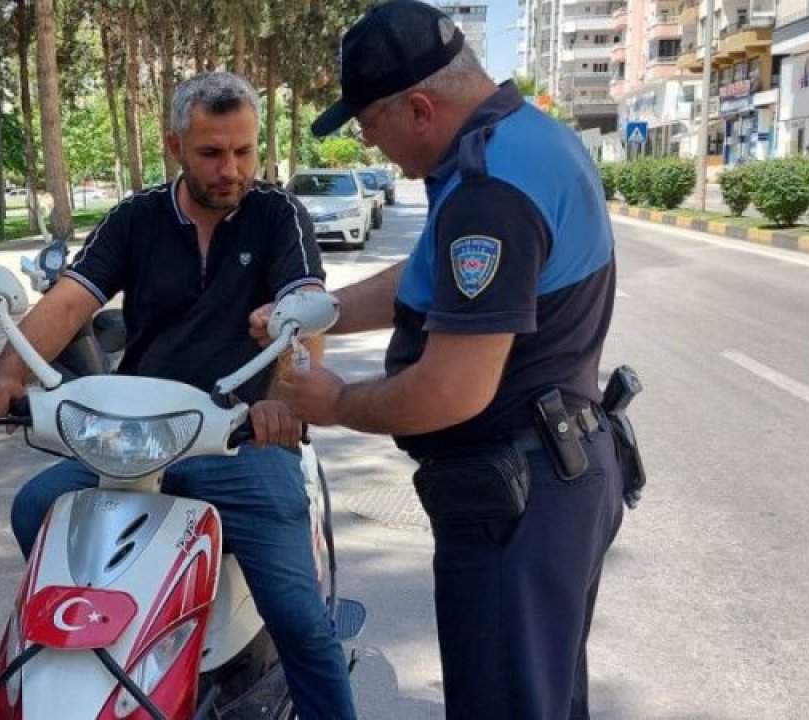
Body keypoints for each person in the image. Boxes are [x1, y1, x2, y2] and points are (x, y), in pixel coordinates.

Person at [259, 2, 626, 718]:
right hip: (556, 476)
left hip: (517, 502)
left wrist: (334, 403)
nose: (372, 147)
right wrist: (321, 309)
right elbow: (436, 281)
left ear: (421, 108)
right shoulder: (519, 141)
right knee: (541, 698)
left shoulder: (488, 192)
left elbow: (451, 391)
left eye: (371, 128)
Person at [0, 71, 357, 720]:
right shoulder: (137, 218)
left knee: (299, 619)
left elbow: (302, 314)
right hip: (135, 437)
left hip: (242, 440)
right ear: (176, 146)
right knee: (36, 505)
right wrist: (7, 374)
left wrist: (286, 400)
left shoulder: (277, 215)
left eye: (244, 151)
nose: (231, 169)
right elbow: (67, 303)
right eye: (211, 153)